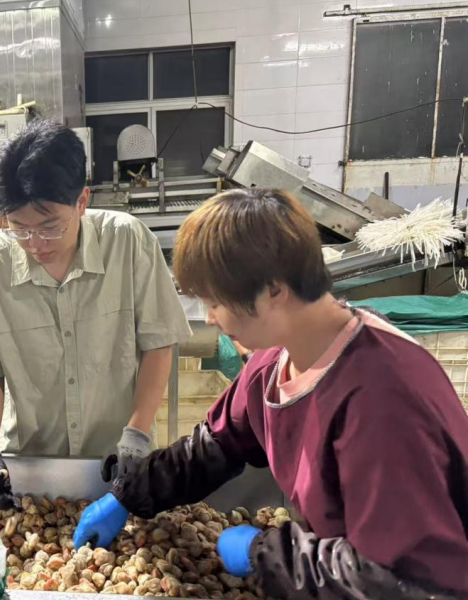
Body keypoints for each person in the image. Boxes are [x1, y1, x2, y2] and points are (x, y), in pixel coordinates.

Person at [73, 189, 468, 599]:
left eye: (215, 302)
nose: (210, 318)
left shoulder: (382, 398)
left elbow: (403, 579)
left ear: (274, 291)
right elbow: (216, 445)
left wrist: (265, 554)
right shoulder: (275, 362)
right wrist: (129, 494)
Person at [0, 118, 192, 509]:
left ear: (82, 201)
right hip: (30, 467)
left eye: (50, 226)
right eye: (19, 229)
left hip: (117, 459)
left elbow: (157, 345)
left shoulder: (128, 242)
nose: (35, 243)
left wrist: (137, 433)